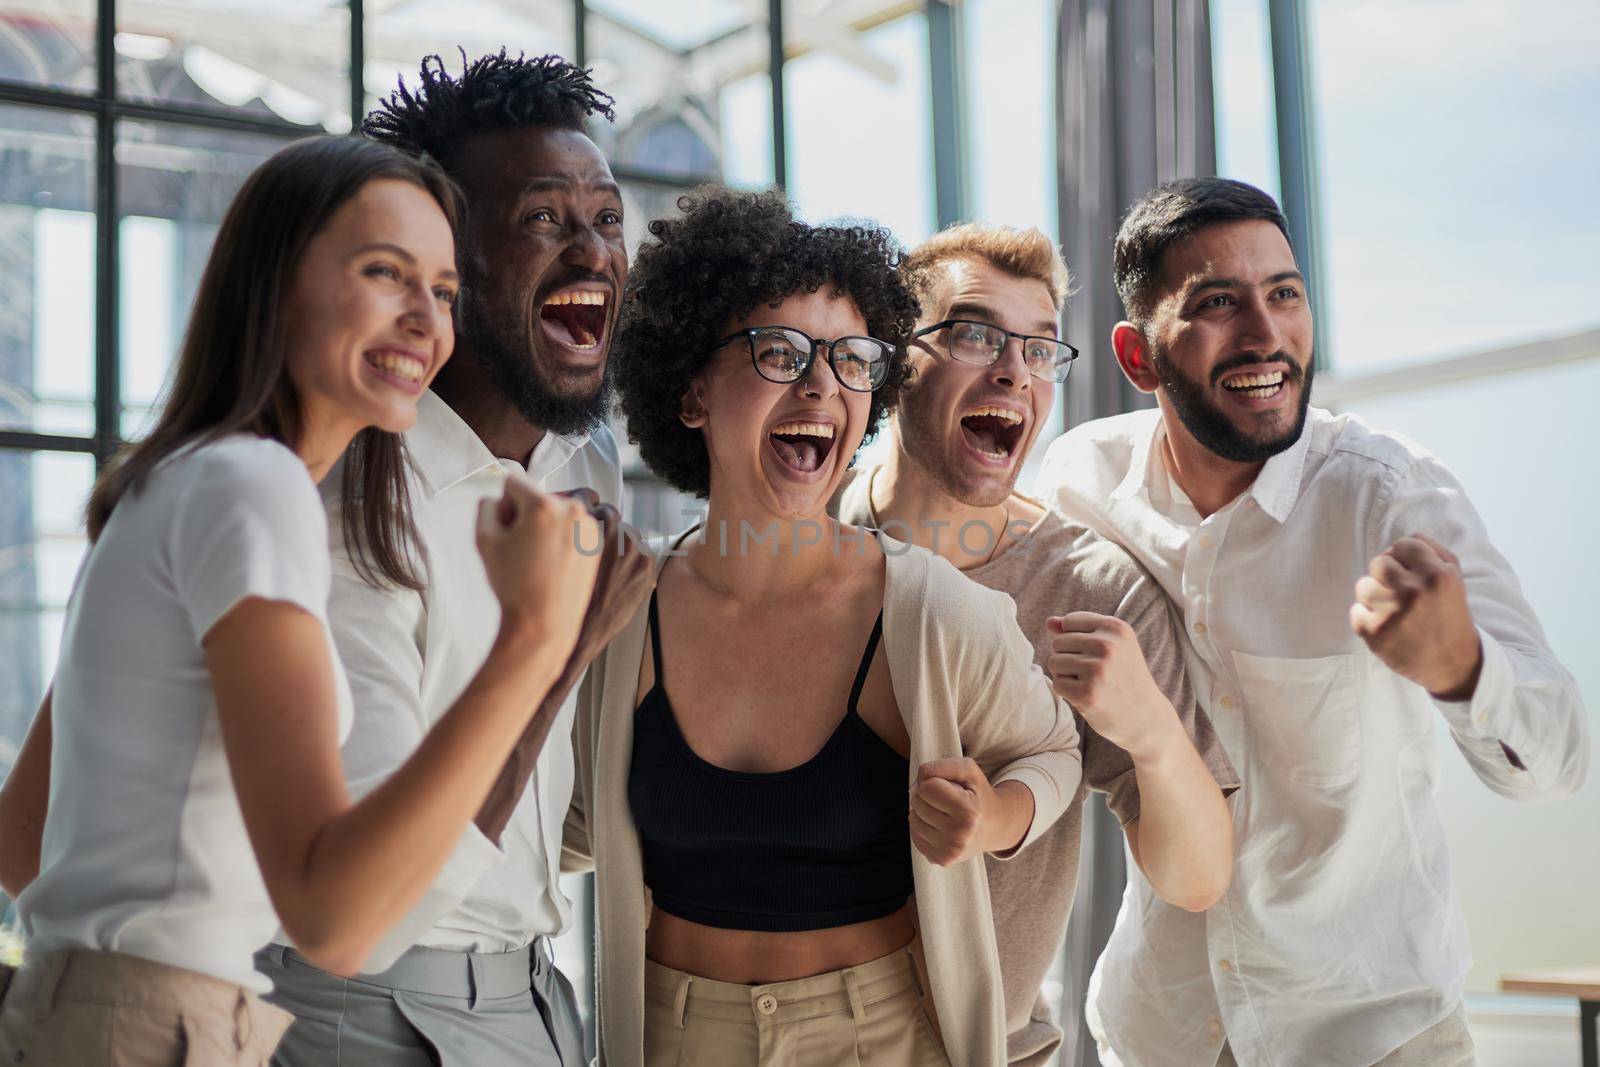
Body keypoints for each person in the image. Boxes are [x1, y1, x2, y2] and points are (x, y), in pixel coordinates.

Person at [0, 135, 603, 1066]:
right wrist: (535, 640)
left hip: (111, 1014)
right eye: (383, 272)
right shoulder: (259, 490)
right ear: (274, 283)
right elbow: (338, 924)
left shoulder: (194, 478)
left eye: (442, 291)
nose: (424, 320)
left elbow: (22, 837)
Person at [1036, 177, 1591, 1067]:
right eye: (1219, 303)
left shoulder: (1391, 494)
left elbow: (1561, 759)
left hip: (1370, 1033)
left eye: (1284, 294)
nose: (1266, 335)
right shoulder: (1080, 484)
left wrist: (1463, 666)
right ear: (1138, 358)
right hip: (1162, 1030)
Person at [562, 187, 1085, 1067]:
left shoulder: (929, 609)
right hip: (674, 1033)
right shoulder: (622, 614)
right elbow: (562, 823)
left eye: (850, 358)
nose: (820, 385)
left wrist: (996, 816)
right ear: (691, 391)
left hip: (881, 1034)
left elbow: (1057, 751)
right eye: (780, 351)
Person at [256, 51, 651, 1067]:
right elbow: (367, 911)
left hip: (536, 993)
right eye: (542, 220)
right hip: (363, 1011)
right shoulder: (344, 505)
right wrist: (553, 650)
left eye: (606, 218)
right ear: (440, 257)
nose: (594, 252)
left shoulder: (586, 462)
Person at [833, 221, 1237, 1065]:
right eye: (976, 333)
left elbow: (1199, 877)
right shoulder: (809, 531)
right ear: (893, 357)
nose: (1014, 370)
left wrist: (1154, 732)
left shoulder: (1095, 586)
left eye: (1040, 348)